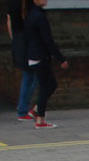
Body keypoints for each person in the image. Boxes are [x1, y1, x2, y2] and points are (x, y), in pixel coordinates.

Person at [23, 0, 67, 128]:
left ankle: (36, 110)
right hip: (40, 56)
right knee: (44, 87)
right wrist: (61, 58)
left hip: (34, 55)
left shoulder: (31, 14)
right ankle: (40, 120)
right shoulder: (38, 16)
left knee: (51, 84)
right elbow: (48, 40)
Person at [6, 0, 38, 121]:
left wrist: (14, 40)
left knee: (28, 75)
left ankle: (24, 109)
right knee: (36, 76)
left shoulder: (13, 3)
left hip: (19, 41)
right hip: (29, 42)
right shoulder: (30, 4)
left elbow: (9, 21)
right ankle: (26, 109)